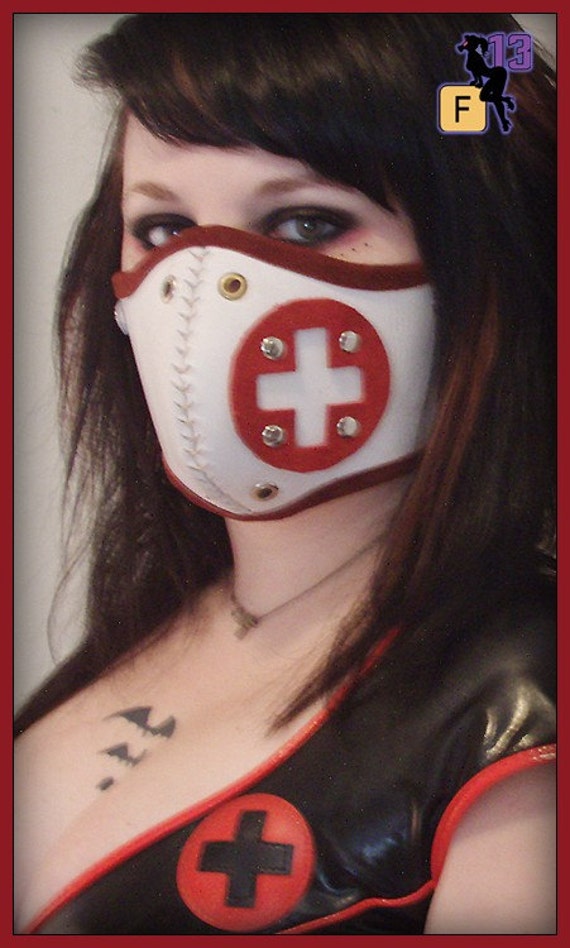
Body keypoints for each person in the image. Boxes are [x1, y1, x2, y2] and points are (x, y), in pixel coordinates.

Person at [13, 12, 556, 935]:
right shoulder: (158, 614)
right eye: (163, 227)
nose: (201, 293)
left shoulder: (520, 704)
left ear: (479, 272)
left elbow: (495, 82)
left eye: (308, 221)